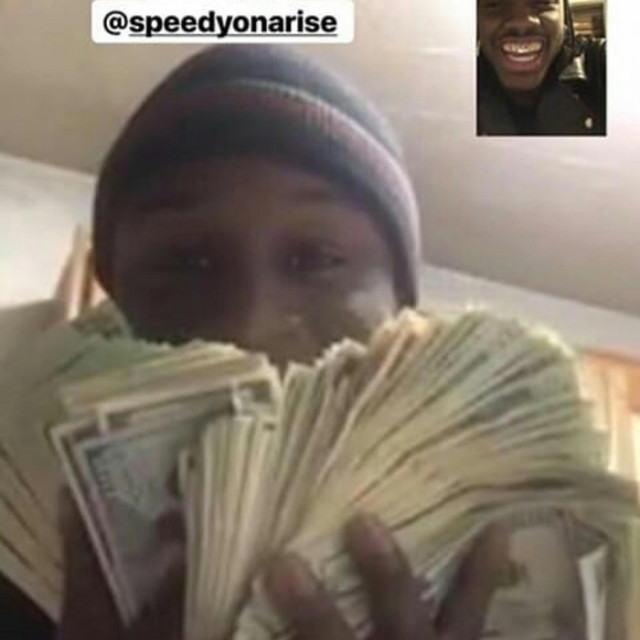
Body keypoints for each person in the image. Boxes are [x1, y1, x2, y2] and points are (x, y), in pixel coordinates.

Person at [3, 45, 591, 640]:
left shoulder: (517, 575)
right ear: (110, 306)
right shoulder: (15, 552)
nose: (249, 326)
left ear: (401, 315)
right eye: (186, 261)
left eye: (316, 258)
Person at [477, 0, 606, 135]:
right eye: (495, 4)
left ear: (564, 15)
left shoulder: (602, 65)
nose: (521, 24)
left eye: (543, 2)